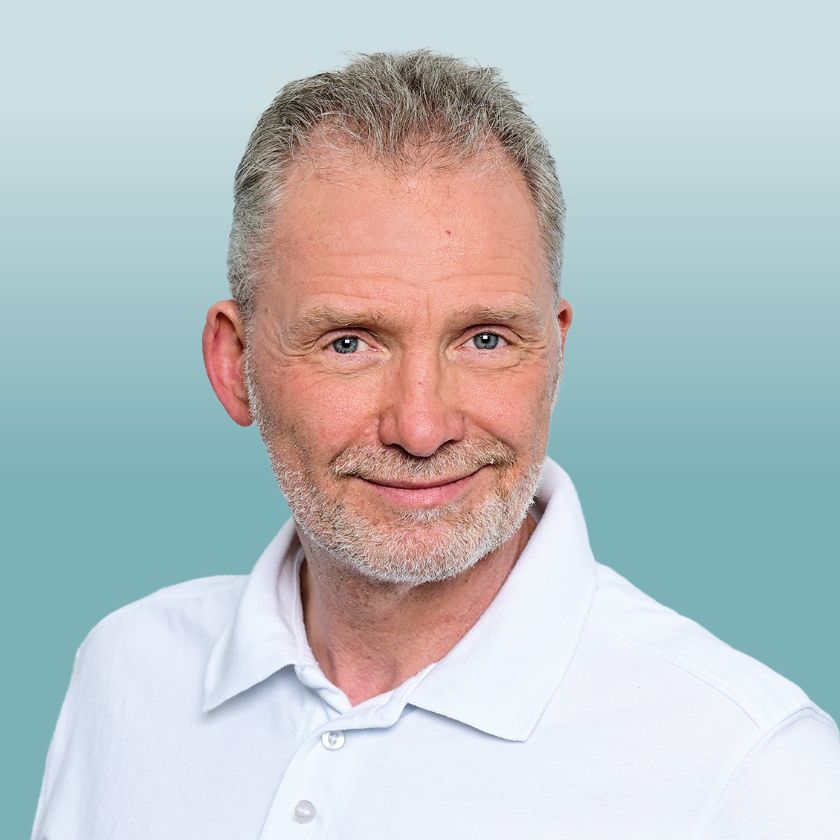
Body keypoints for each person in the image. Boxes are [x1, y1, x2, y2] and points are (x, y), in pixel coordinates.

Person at [32, 50, 840, 839]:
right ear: (235, 364)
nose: (421, 429)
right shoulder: (126, 674)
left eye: (485, 339)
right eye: (350, 343)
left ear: (556, 355)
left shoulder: (755, 774)